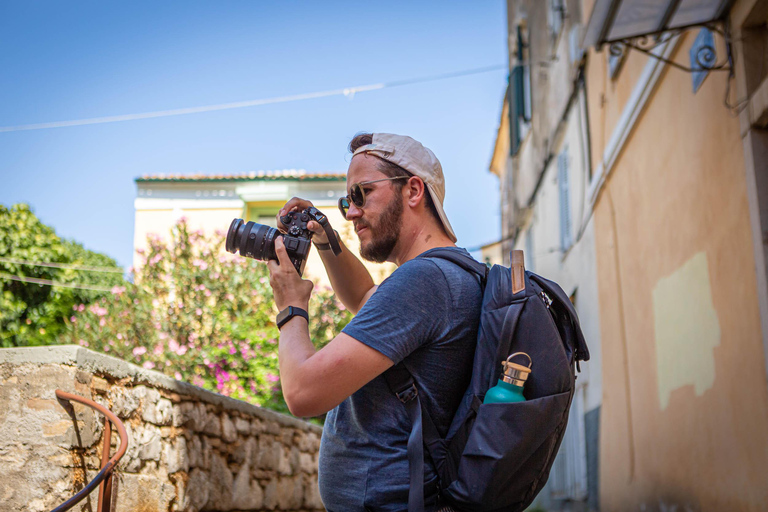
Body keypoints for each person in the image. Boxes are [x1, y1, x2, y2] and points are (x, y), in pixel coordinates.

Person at [266, 133, 482, 511]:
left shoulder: (424, 281)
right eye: (346, 200)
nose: (350, 212)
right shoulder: (451, 273)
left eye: (361, 194)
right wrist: (325, 239)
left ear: (413, 190)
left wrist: (291, 307)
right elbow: (365, 297)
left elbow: (303, 393)